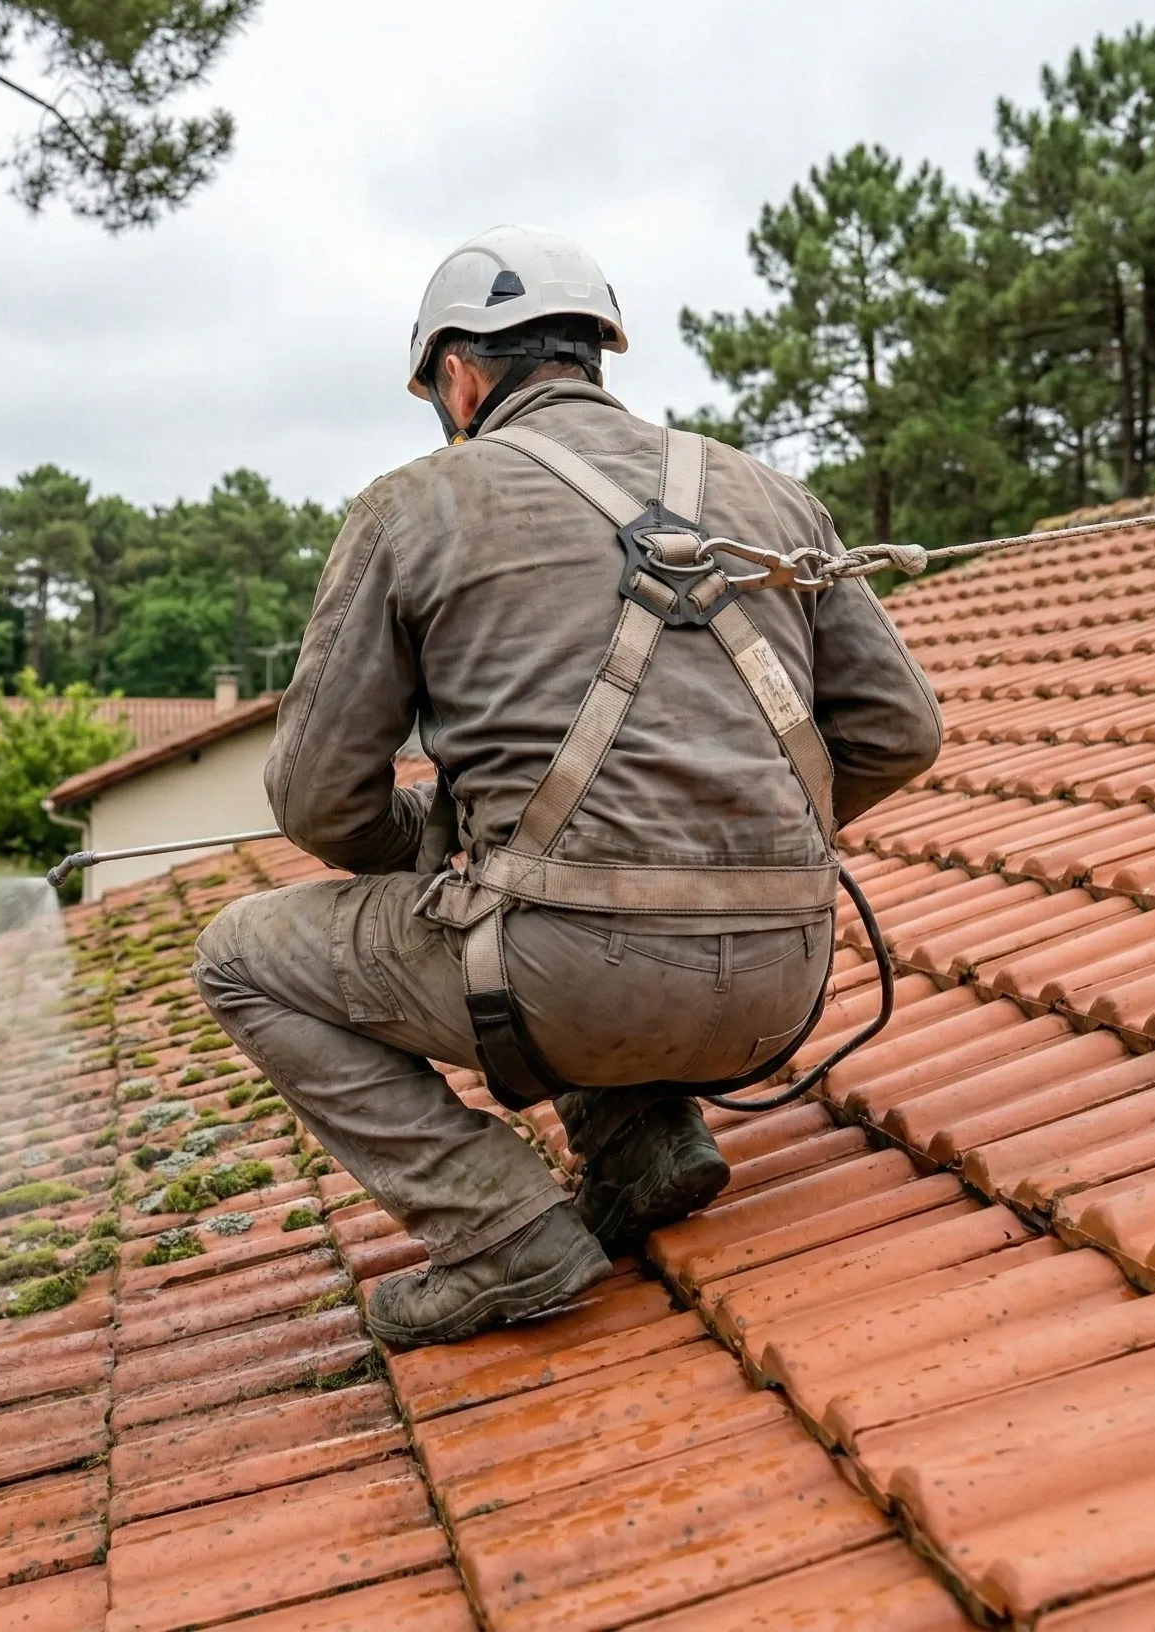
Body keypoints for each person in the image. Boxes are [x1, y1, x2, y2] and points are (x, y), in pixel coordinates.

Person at [193, 225, 943, 1349]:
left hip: (559, 987)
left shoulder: (412, 507)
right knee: (535, 871)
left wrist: (427, 838)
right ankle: (644, 1144)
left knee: (238, 955)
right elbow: (899, 732)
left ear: (456, 375)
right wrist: (753, 836)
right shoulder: (771, 496)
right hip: (782, 984)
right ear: (596, 352)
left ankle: (498, 1236)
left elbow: (314, 806)